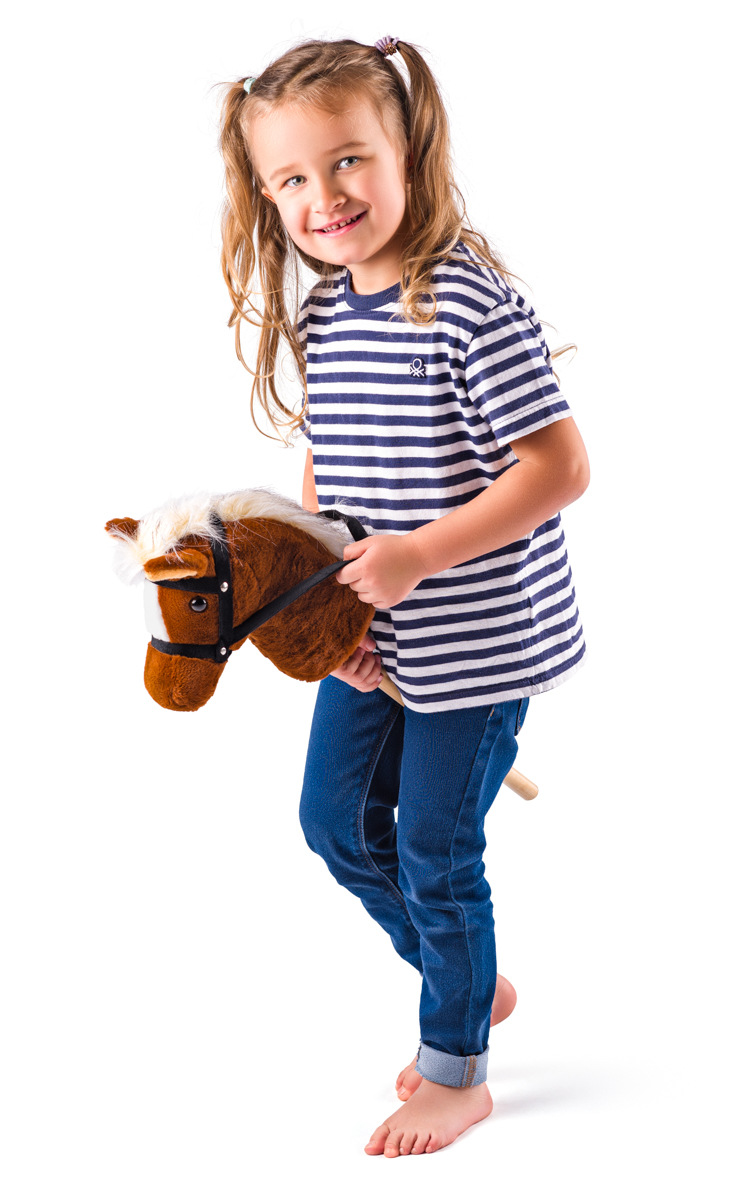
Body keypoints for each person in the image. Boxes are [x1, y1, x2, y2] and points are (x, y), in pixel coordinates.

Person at [218, 35, 590, 1157]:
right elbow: (327, 468)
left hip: (476, 641)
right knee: (332, 823)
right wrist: (326, 611)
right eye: (291, 176)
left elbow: (558, 469)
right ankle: (462, 973)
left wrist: (419, 556)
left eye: (348, 160)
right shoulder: (328, 314)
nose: (323, 196)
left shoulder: (470, 307)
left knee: (434, 848)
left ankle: (454, 1068)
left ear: (408, 154)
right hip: (374, 631)